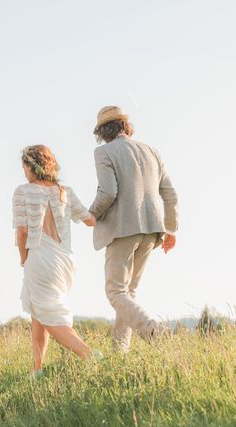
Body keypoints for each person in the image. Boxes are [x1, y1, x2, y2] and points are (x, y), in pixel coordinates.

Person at [89, 106, 179, 353]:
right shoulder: (152, 152)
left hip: (122, 228)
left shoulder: (103, 152)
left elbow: (108, 192)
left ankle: (153, 331)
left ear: (103, 132)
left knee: (115, 292)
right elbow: (170, 195)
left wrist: (90, 215)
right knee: (128, 293)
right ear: (125, 126)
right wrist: (171, 229)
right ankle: (119, 354)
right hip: (152, 230)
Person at [12, 145, 99, 377]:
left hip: (39, 259)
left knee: (49, 317)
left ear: (31, 167)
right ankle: (36, 370)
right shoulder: (65, 192)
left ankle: (91, 356)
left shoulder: (23, 191)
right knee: (39, 313)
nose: (24, 173)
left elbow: (22, 232)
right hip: (64, 262)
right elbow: (91, 220)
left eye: (24, 168)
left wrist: (23, 259)